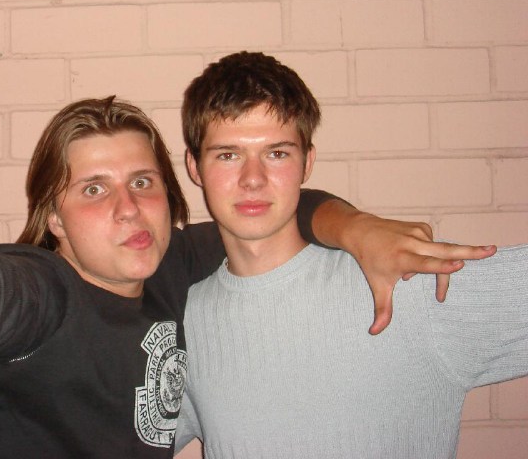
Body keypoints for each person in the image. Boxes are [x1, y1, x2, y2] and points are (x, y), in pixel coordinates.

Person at [0, 98, 490, 459]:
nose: (129, 208)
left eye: (143, 182)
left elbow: (286, 205)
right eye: (93, 189)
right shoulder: (43, 294)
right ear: (54, 218)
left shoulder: (175, 265)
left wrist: (357, 228)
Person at [173, 51, 527, 458]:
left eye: (277, 153)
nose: (253, 179)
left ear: (307, 163)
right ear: (194, 167)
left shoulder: (404, 282)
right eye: (228, 155)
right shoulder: (186, 324)